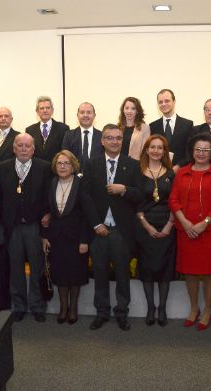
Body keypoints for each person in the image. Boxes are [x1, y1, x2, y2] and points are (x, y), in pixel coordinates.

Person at [83, 124, 143, 331]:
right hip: (98, 229)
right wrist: (95, 224)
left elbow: (140, 195)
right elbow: (85, 196)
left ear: (122, 141)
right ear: (102, 141)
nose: (114, 141)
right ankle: (101, 312)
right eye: (109, 138)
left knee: (122, 274)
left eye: (118, 138)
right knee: (99, 273)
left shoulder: (132, 164)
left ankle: (122, 313)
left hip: (121, 231)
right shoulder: (91, 164)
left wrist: (124, 189)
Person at [169, 133, 211, 331]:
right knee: (190, 273)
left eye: (205, 150)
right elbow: (173, 200)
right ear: (192, 151)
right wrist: (184, 222)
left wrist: (205, 223)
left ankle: (207, 311)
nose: (201, 153)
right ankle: (194, 308)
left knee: (207, 273)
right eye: (198, 149)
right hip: (185, 230)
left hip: (209, 231)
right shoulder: (182, 172)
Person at [0, 133, 52, 322]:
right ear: (14, 148)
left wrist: (47, 215)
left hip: (34, 226)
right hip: (12, 227)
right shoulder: (1, 168)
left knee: (37, 267)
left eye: (27, 146)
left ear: (33, 149)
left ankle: (37, 306)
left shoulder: (44, 167)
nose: (24, 149)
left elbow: (49, 195)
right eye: (20, 145)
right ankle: (18, 306)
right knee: (15, 267)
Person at [42, 150, 91, 325]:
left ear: (73, 166)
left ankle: (74, 309)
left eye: (66, 163)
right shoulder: (50, 183)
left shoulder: (81, 183)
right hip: (56, 238)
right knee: (60, 274)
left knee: (75, 275)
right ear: (55, 166)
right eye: (60, 163)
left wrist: (84, 240)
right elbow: (46, 212)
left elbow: (86, 214)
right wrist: (45, 236)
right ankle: (63, 308)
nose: (63, 166)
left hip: (76, 239)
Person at [135, 135, 176, 326]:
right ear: (146, 149)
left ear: (164, 151)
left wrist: (169, 225)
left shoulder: (171, 174)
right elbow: (135, 203)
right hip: (145, 227)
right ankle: (151, 308)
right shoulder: (138, 172)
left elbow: (176, 202)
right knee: (147, 269)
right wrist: (146, 225)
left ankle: (162, 308)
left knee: (165, 269)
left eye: (160, 148)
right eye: (152, 147)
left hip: (168, 226)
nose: (156, 151)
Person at [149, 89, 194, 168]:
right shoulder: (153, 126)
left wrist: (179, 166)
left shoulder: (187, 125)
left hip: (181, 170)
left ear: (174, 101)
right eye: (160, 102)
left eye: (167, 101)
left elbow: (190, 151)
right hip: (159, 170)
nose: (163, 104)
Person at [25, 96, 70, 163]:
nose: (45, 110)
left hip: (55, 167)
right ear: (37, 111)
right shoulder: (30, 130)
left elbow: (65, 152)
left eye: (48, 108)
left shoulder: (63, 128)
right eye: (42, 108)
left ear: (52, 110)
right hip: (37, 167)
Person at [61, 102, 103, 171]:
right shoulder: (69, 135)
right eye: (82, 112)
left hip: (96, 175)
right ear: (77, 115)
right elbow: (65, 157)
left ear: (94, 115)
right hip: (74, 175)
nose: (85, 115)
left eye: (89, 112)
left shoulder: (102, 136)